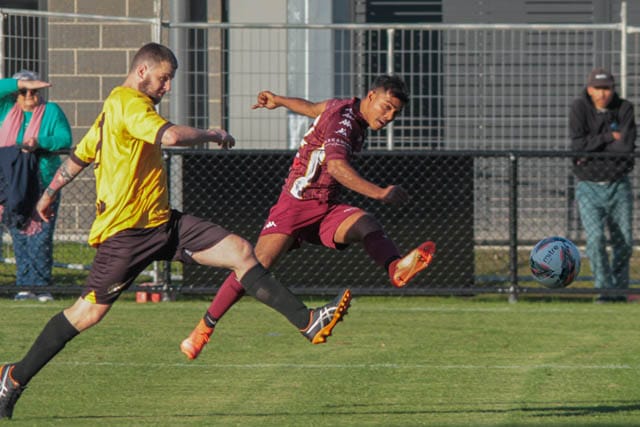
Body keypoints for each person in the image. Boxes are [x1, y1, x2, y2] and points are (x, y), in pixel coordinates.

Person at [0, 42, 351, 420]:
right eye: (163, 78)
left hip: (164, 223)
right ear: (142, 71)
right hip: (127, 235)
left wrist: (50, 193)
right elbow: (168, 137)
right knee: (86, 314)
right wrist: (213, 134)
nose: (167, 87)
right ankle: (13, 377)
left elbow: (81, 155)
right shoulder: (128, 103)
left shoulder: (114, 108)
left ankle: (308, 321)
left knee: (240, 252)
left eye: (170, 80)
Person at [180, 75, 436, 360]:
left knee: (366, 224)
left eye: (395, 113)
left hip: (326, 206)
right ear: (371, 96)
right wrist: (380, 192)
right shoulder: (345, 122)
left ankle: (395, 267)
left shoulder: (342, 107)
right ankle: (203, 329)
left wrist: (278, 100)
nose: (388, 117)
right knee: (252, 267)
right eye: (386, 107)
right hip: (297, 203)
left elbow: (312, 108)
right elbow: (336, 167)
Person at [0, 70, 72, 301]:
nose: (30, 96)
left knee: (41, 234)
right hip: (13, 182)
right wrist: (19, 83)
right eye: (24, 91)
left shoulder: (51, 111)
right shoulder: (5, 109)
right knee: (19, 232)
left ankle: (41, 286)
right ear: (16, 94)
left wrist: (40, 142)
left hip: (43, 180)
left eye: (34, 91)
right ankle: (24, 286)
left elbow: (64, 138)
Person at [569, 68, 637, 303]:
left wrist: (593, 149)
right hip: (589, 185)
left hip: (618, 185)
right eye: (598, 89)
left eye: (607, 88)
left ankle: (619, 290)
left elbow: (626, 148)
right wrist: (608, 137)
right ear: (590, 89)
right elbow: (578, 146)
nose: (602, 94)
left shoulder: (624, 108)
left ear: (613, 89)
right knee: (596, 239)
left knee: (624, 242)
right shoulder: (579, 108)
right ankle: (604, 290)